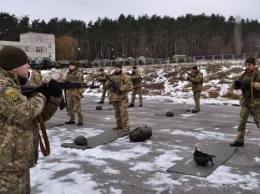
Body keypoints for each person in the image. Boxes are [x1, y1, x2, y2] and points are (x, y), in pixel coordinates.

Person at [0, 45, 62, 194]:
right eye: (25, 63)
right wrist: (41, 95)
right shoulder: (4, 87)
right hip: (7, 164)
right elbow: (25, 112)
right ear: (13, 67)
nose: (28, 65)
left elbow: (37, 116)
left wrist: (54, 97)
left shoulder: (15, 84)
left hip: (15, 160)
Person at [230, 56, 260, 147]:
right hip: (245, 102)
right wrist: (236, 84)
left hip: (256, 103)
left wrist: (252, 85)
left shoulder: (258, 74)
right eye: (246, 65)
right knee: (242, 122)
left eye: (249, 65)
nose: (247, 67)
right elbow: (235, 84)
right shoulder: (243, 75)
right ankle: (239, 140)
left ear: (254, 65)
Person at [105, 63, 132, 131]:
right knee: (116, 112)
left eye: (118, 68)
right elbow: (106, 85)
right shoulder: (111, 77)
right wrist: (109, 83)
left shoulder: (125, 76)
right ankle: (119, 125)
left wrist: (121, 89)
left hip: (122, 97)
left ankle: (125, 126)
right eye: (115, 68)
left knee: (123, 112)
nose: (117, 69)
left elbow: (128, 85)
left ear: (121, 68)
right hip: (114, 97)